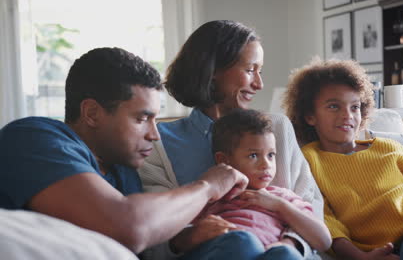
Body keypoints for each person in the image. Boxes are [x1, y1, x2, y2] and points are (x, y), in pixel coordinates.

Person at [0, 47, 251, 257]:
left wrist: (181, 240)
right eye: (143, 119)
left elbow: (127, 243)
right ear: (92, 113)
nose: (155, 134)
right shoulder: (33, 138)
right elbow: (128, 226)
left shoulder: (121, 167)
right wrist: (207, 186)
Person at [138, 20, 324, 259]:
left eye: (260, 71)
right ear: (213, 70)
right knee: (241, 244)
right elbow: (151, 234)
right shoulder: (157, 142)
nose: (259, 83)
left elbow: (312, 209)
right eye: (250, 70)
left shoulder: (276, 128)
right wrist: (189, 236)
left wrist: (289, 244)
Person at [283, 58, 403, 260]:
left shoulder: (388, 148)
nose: (348, 115)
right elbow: (325, 219)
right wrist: (360, 257)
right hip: (399, 248)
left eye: (354, 107)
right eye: (334, 107)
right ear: (310, 116)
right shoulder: (309, 160)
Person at [194, 108, 331, 258]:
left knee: (287, 254)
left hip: (270, 254)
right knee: (243, 242)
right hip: (226, 248)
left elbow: (324, 241)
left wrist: (280, 205)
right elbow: (182, 236)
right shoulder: (213, 196)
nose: (266, 165)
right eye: (253, 155)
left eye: (271, 155)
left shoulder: (282, 197)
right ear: (223, 160)